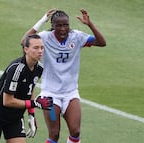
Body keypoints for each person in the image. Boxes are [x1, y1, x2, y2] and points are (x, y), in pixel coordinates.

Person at [21, 8, 106, 143]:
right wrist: (42, 20)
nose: (62, 28)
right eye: (58, 25)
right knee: (54, 134)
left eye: (65, 24)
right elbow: (24, 41)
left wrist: (90, 24)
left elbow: (102, 42)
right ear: (52, 26)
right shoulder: (45, 37)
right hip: (50, 95)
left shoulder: (76, 37)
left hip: (70, 93)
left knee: (76, 131)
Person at [0, 34, 53, 143]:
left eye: (42, 48)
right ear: (26, 49)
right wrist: (34, 104)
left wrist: (31, 115)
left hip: (15, 118)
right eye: (36, 48)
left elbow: (30, 89)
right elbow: (7, 101)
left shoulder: (39, 68)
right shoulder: (17, 69)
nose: (40, 51)